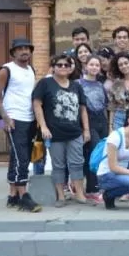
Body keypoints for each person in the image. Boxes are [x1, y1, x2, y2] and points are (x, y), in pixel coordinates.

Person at [32, 53, 92, 207]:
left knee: (77, 163)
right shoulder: (45, 84)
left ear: (71, 68)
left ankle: (79, 193)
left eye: (66, 65)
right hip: (54, 133)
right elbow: (37, 104)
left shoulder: (76, 86)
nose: (63, 67)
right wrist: (43, 126)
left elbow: (83, 109)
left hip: (75, 132)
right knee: (58, 165)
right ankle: (60, 196)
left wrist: (86, 129)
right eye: (59, 65)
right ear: (53, 67)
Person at [0, 37, 41, 212]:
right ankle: (24, 196)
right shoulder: (6, 70)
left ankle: (12, 195)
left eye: (27, 48)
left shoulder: (31, 70)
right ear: (13, 53)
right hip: (13, 119)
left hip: (29, 118)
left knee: (17, 156)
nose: (24, 51)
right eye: (20, 49)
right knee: (22, 157)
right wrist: (4, 118)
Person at [79, 55, 108, 201]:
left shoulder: (100, 85)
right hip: (87, 120)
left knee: (102, 153)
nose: (94, 67)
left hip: (101, 120)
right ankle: (91, 188)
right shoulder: (79, 84)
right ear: (86, 66)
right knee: (93, 153)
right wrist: (85, 128)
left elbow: (105, 106)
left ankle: (98, 185)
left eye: (97, 65)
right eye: (92, 64)